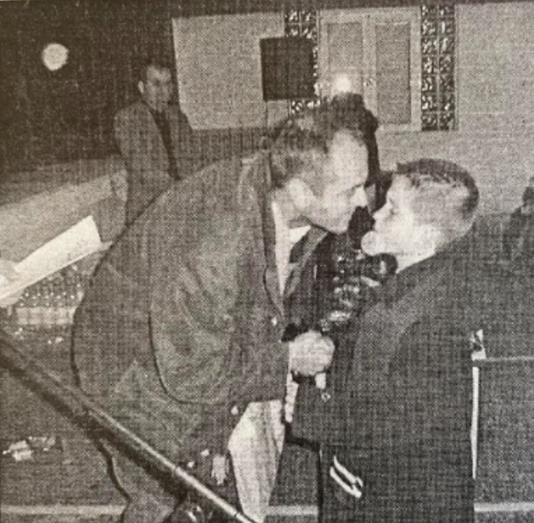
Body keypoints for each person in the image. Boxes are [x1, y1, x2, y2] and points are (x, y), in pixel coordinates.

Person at [71, 102, 370, 522]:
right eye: (351, 190)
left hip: (186, 343)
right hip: (132, 368)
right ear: (302, 191)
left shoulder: (285, 198)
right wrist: (286, 359)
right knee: (167, 491)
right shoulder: (216, 235)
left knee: (213, 480)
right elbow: (190, 372)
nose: (363, 200)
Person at [291, 158, 479, 522]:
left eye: (392, 210)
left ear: (424, 237)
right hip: (388, 488)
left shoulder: (430, 318)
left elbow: (399, 423)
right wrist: (335, 353)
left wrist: (309, 409)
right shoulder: (418, 287)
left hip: (402, 502)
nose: (376, 215)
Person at [114, 57, 200, 225]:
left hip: (183, 204)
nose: (162, 91)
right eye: (156, 84)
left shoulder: (179, 117)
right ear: (141, 87)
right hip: (147, 211)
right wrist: (179, 191)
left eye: (167, 84)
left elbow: (193, 158)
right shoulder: (126, 118)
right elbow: (141, 167)